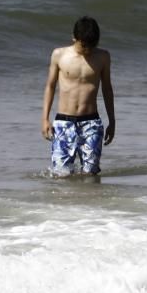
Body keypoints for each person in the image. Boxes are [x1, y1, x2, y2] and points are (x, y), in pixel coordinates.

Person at [41, 15, 116, 176]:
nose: (87, 49)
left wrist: (112, 121)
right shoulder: (59, 55)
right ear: (74, 37)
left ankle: (88, 201)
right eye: (84, 45)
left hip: (91, 123)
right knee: (61, 174)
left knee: (91, 174)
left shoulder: (103, 57)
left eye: (91, 45)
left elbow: (107, 89)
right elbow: (50, 86)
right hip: (63, 122)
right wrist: (45, 119)